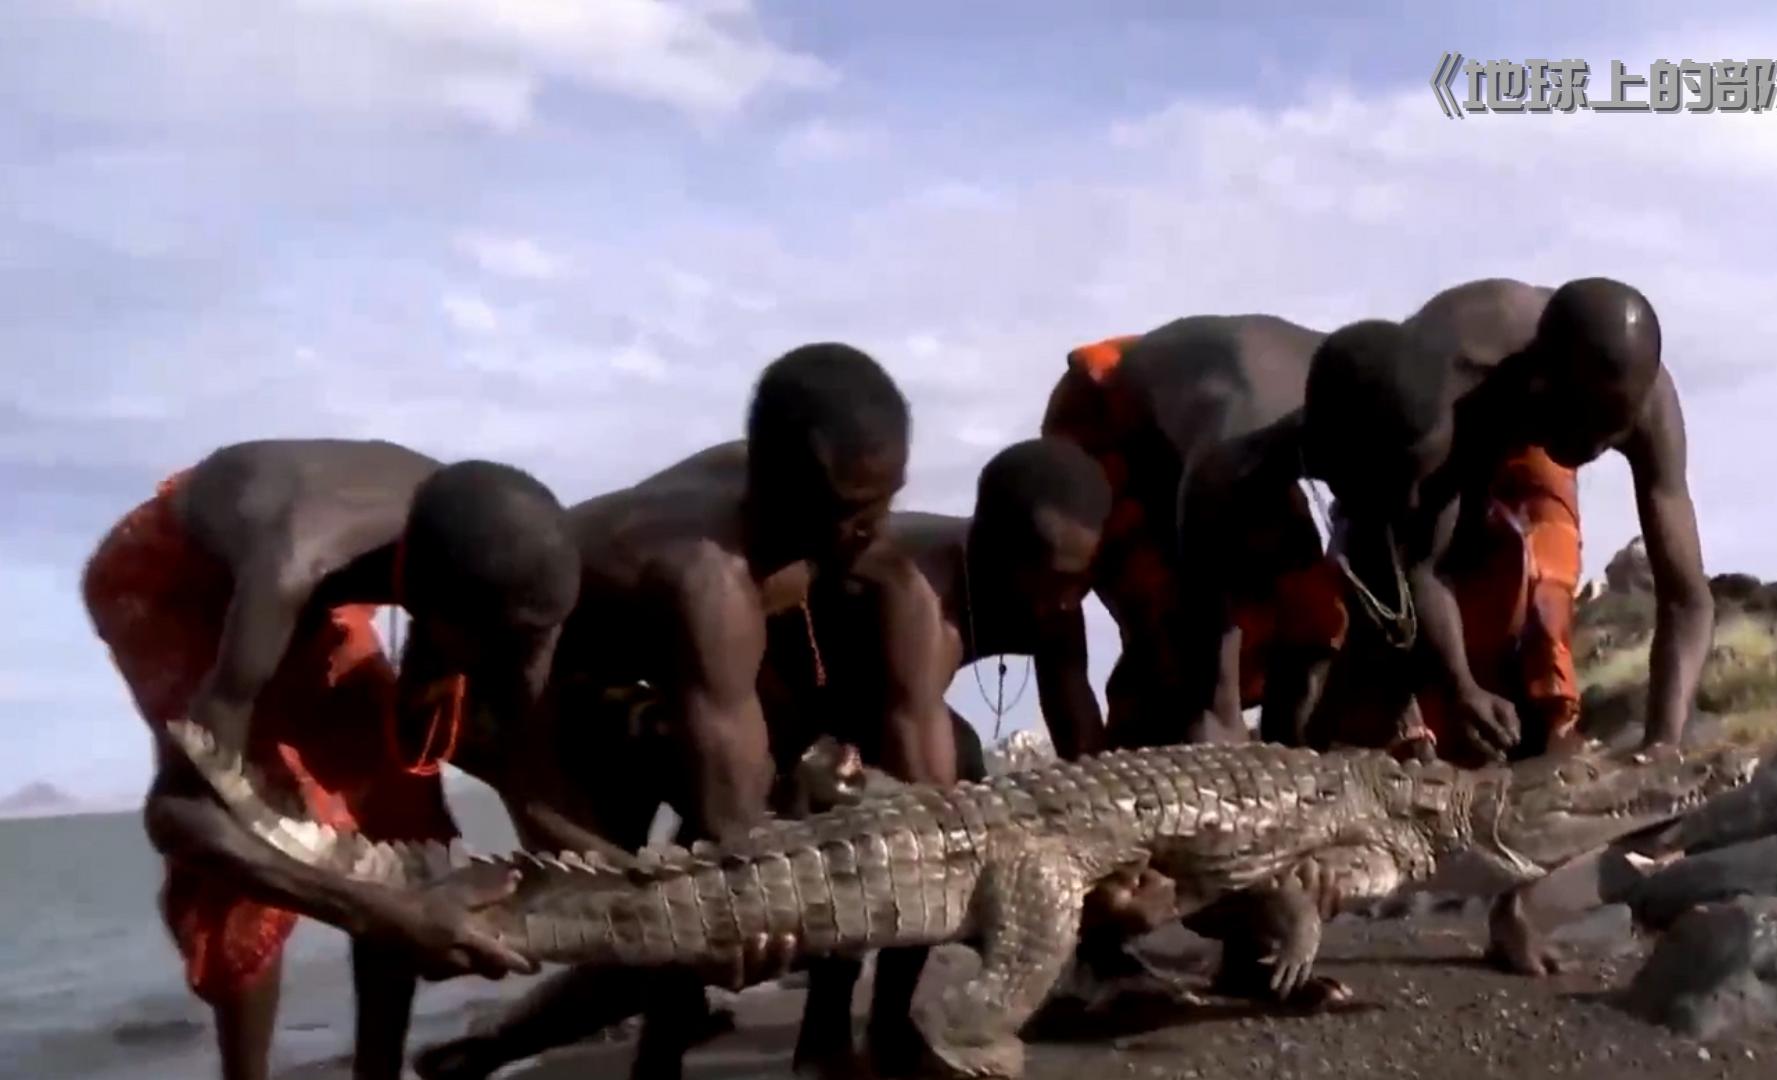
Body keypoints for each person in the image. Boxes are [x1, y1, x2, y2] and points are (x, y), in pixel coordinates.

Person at [413, 343, 955, 1080]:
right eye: (858, 512)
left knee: (805, 813)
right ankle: (478, 1055)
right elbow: (731, 839)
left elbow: (926, 799)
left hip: (635, 683)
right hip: (516, 701)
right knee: (662, 922)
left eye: (889, 496)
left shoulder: (788, 500)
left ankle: (699, 1043)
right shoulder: (709, 579)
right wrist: (751, 913)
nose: (880, 524)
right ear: (794, 501)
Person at [79, 443, 591, 1080]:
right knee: (250, 823)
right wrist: (384, 912)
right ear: (435, 612)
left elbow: (514, 737)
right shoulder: (292, 567)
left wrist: (582, 876)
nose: (516, 663)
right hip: (179, 579)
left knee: (404, 811)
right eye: (501, 646)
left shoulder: (481, 541)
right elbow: (181, 813)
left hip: (336, 572)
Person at [1298, 277, 1712, 766]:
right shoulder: (1452, 382)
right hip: (1421, 448)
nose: (1598, 449)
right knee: (1386, 630)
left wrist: (1663, 744)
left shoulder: (1643, 401)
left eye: (1612, 430)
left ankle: (1547, 732)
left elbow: (1687, 599)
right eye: (1588, 424)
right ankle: (1364, 733)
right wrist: (1460, 686)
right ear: (1542, 379)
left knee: (1542, 573)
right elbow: (1418, 566)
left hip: (1530, 422)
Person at [1039, 314, 1351, 750]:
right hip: (1127, 426)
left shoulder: (1374, 421)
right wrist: (1217, 710)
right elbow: (1204, 582)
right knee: (1174, 655)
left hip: (1237, 437)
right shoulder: (1219, 460)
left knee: (1316, 624)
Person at [885, 436, 1113, 760]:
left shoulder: (1055, 593)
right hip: (815, 673)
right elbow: (919, 752)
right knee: (961, 753)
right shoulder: (922, 592)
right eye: (1056, 580)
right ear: (996, 555)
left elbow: (1079, 737)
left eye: (1081, 580)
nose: (1069, 602)